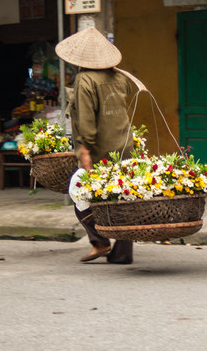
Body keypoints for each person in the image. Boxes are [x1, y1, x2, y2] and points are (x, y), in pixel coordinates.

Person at [56, 27, 135, 264]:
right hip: (125, 146)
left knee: (79, 194)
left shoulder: (84, 79)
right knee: (121, 198)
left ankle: (99, 242)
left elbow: (86, 120)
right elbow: (127, 93)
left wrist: (85, 151)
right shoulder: (120, 77)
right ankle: (122, 252)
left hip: (100, 149)